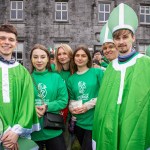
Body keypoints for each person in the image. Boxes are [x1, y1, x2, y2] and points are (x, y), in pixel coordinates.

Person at [92, 3, 150, 150]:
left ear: (133, 38)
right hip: (110, 124)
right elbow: (104, 101)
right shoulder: (111, 67)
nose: (121, 42)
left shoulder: (145, 63)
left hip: (135, 124)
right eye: (117, 38)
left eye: (125, 37)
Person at [0, 24, 40, 150]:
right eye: (2, 38)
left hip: (17, 136)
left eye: (11, 39)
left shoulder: (23, 72)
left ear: (16, 43)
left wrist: (16, 132)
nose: (7, 42)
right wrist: (5, 132)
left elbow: (27, 104)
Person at [30, 44, 68, 150]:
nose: (39, 60)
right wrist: (32, 109)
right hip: (33, 130)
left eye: (43, 57)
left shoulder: (56, 77)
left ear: (48, 59)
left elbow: (63, 101)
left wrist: (47, 106)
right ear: (31, 59)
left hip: (53, 129)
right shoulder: (26, 78)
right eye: (35, 57)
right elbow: (20, 102)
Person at [67, 44, 104, 150]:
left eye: (83, 55)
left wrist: (88, 105)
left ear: (88, 57)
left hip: (94, 121)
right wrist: (72, 108)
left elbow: (104, 94)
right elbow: (72, 99)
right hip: (79, 122)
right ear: (73, 59)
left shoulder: (97, 72)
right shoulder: (71, 79)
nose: (80, 58)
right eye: (77, 55)